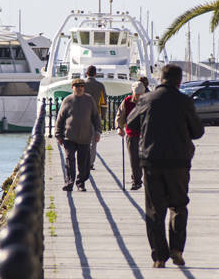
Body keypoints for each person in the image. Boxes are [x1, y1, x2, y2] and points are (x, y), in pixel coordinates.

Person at [126, 64, 204, 268]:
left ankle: (159, 256)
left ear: (160, 79)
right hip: (178, 162)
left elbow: (130, 123)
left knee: (154, 210)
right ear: (179, 82)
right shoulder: (184, 101)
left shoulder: (146, 100)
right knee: (178, 205)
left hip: (151, 162)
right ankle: (176, 249)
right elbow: (197, 132)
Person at [54, 78, 102, 192]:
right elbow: (59, 119)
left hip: (85, 138)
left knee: (83, 163)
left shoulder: (89, 100)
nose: (80, 89)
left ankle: (80, 183)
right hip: (69, 137)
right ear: (72, 88)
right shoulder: (68, 100)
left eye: (81, 87)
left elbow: (96, 117)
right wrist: (58, 135)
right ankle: (69, 183)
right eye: (77, 87)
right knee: (69, 160)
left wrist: (98, 132)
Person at [115, 81, 146, 190]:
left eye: (141, 94)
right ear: (133, 92)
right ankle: (136, 181)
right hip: (131, 134)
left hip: (146, 135)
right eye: (137, 94)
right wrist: (119, 128)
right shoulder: (127, 101)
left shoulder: (148, 101)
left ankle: (149, 181)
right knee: (134, 160)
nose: (139, 96)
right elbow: (120, 116)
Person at [83, 65, 108, 171]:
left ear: (86, 73)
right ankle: (90, 163)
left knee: (83, 140)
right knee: (94, 140)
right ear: (95, 74)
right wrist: (102, 117)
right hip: (95, 116)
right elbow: (104, 104)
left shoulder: (82, 84)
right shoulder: (100, 86)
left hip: (83, 115)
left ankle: (82, 161)